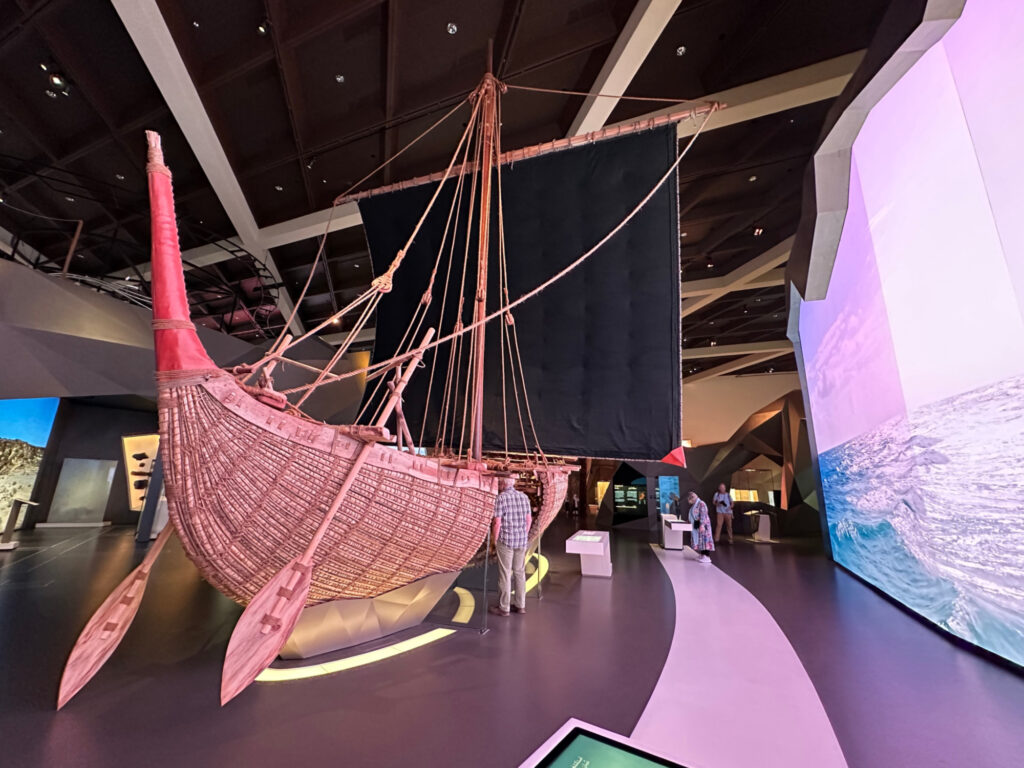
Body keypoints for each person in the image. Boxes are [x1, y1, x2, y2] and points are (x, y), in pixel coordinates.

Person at [489, 477, 532, 616]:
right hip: (521, 540)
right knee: (519, 572)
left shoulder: (501, 498)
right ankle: (521, 605)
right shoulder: (524, 497)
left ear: (503, 484)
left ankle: (504, 607)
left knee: (505, 574)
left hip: (506, 541)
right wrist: (523, 534)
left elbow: (497, 522)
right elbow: (528, 520)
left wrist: (494, 541)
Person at [687, 490, 714, 564]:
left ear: (692, 498)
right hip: (697, 525)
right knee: (701, 541)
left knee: (705, 540)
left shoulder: (701, 503)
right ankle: (702, 555)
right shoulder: (695, 504)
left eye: (689, 500)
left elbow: (703, 514)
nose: (689, 502)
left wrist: (702, 525)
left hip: (703, 526)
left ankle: (707, 556)